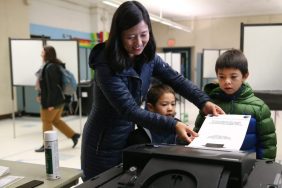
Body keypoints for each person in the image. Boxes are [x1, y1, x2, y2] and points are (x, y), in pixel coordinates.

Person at [81, 1, 224, 181]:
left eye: (144, 34)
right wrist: (173, 124)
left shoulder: (148, 58)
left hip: (127, 136)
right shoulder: (106, 65)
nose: (138, 42)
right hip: (101, 145)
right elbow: (129, 110)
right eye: (131, 36)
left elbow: (177, 80)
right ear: (118, 35)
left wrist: (204, 102)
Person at [194, 49, 277, 160]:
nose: (227, 81)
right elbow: (197, 133)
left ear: (244, 76)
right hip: (214, 163)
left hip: (247, 166)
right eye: (222, 77)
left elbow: (267, 144)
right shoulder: (210, 104)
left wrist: (264, 168)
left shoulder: (259, 107)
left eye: (233, 77)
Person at [35, 45, 80, 152]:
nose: (41, 54)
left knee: (46, 121)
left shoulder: (50, 67)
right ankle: (73, 135)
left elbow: (53, 87)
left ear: (47, 53)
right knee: (55, 120)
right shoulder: (53, 65)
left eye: (43, 52)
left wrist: (50, 104)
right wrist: (40, 95)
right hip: (58, 100)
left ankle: (47, 146)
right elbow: (47, 85)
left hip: (52, 101)